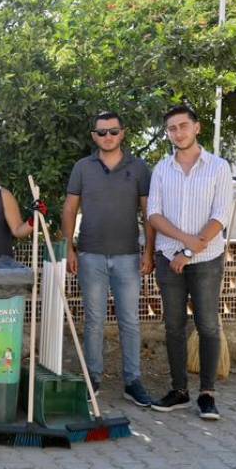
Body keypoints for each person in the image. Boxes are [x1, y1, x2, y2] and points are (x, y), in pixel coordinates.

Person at [61, 112, 156, 408]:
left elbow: (148, 213)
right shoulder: (82, 168)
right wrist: (69, 249)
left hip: (128, 256)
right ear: (94, 136)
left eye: (113, 132)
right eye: (101, 133)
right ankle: (93, 378)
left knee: (130, 321)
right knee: (94, 322)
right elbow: (69, 209)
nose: (107, 137)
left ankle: (132, 381)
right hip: (90, 255)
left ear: (122, 133)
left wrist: (149, 251)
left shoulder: (139, 168)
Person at [147, 105, 234, 420]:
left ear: (197, 128)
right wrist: (185, 243)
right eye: (171, 128)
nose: (177, 132)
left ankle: (207, 394)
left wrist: (192, 251)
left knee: (208, 325)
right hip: (169, 257)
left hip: (206, 258)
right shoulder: (161, 169)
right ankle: (179, 390)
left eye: (183, 126)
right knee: (173, 326)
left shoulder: (218, 167)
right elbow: (153, 214)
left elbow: (221, 215)